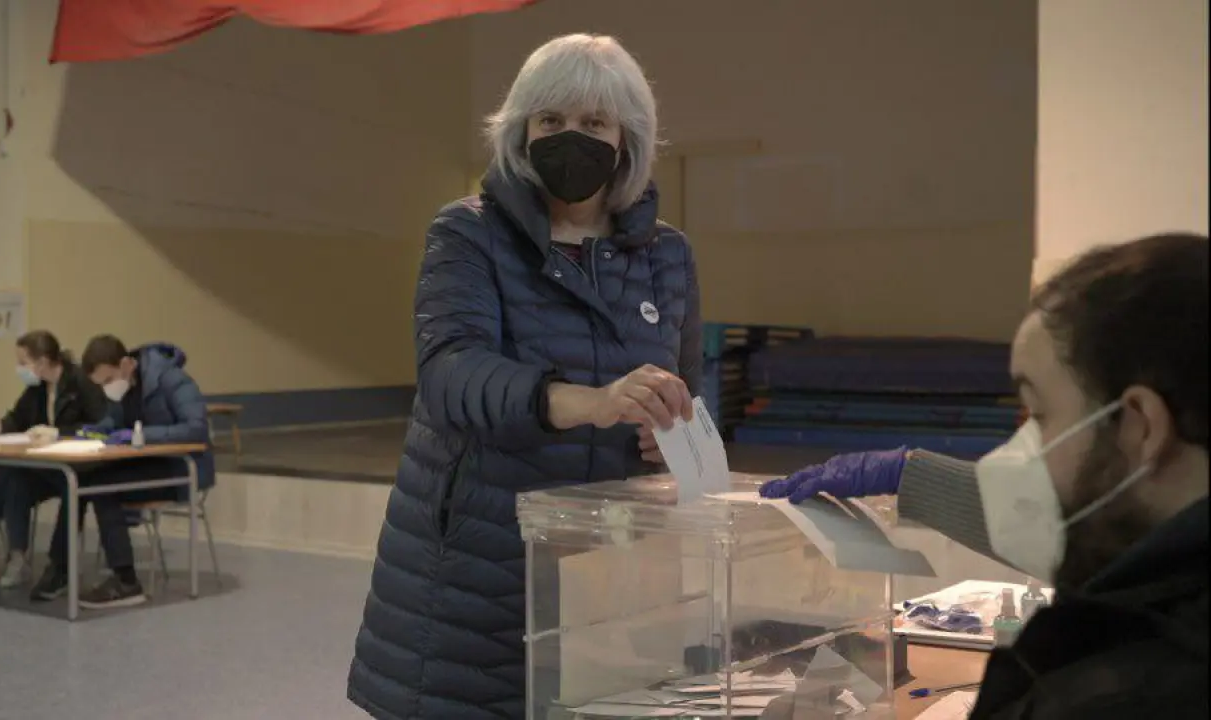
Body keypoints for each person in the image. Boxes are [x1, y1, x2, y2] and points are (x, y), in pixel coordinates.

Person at [347, 33, 703, 720]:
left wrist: (671, 434)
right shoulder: (468, 233)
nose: (571, 138)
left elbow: (688, 385)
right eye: (551, 119)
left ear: (626, 137)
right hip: (481, 567)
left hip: (613, 568)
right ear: (521, 130)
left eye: (594, 122)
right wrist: (590, 402)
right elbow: (450, 374)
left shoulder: (669, 255)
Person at [760, 232, 1209, 718]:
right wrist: (911, 478)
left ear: (1140, 427)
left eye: (1040, 416)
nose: (1020, 454)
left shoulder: (1125, 693)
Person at [39, 335, 214, 609]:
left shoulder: (172, 379)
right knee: (81, 478)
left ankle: (126, 581)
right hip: (149, 462)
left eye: (108, 380)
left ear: (125, 364)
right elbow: (116, 419)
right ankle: (59, 567)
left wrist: (140, 435)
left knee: (101, 486)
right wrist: (99, 429)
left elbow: (197, 428)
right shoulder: (125, 387)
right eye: (101, 385)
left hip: (182, 467)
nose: (107, 388)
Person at [0, 330, 107, 590]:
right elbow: (17, 418)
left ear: (43, 362)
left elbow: (101, 426)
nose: (19, 368)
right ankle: (17, 559)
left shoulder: (79, 383)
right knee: (14, 477)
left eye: (23, 362)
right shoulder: (38, 388)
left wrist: (60, 433)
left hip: (80, 468)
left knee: (15, 472)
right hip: (50, 467)